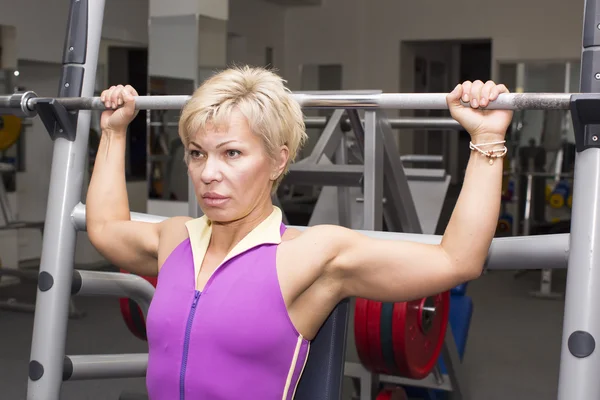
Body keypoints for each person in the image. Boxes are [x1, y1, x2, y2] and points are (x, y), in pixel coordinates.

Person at [86, 66, 512, 399]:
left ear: (277, 161)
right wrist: (113, 130)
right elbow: (105, 228)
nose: (208, 173)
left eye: (232, 153)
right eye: (197, 154)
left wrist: (488, 139)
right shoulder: (174, 239)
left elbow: (458, 260)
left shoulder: (311, 256)